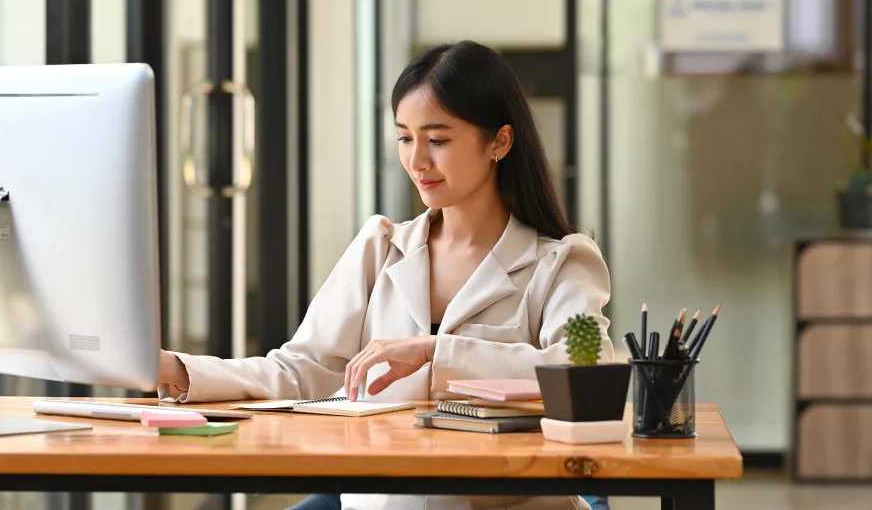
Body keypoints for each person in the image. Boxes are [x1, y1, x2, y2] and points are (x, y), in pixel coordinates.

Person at [157, 41, 614, 510]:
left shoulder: (560, 262)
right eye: (404, 137)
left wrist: (437, 352)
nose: (417, 161)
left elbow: (586, 375)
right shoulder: (381, 247)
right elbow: (300, 373)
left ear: (499, 141)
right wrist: (179, 370)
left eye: (437, 140)